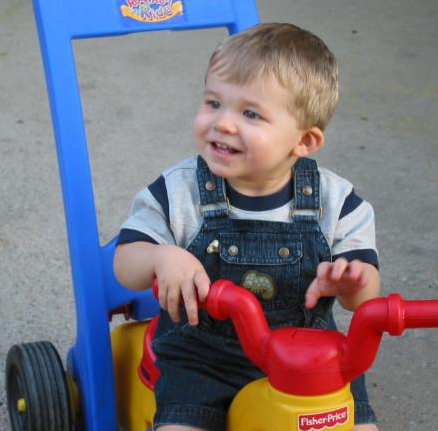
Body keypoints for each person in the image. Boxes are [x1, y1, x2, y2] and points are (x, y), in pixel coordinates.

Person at [114, 22, 381, 431]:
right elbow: (126, 266)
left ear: (304, 142)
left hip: (310, 363)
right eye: (213, 102)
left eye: (251, 113)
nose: (223, 123)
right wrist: (161, 256)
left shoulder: (338, 203)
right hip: (203, 360)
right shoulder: (179, 191)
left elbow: (363, 302)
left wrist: (351, 281)